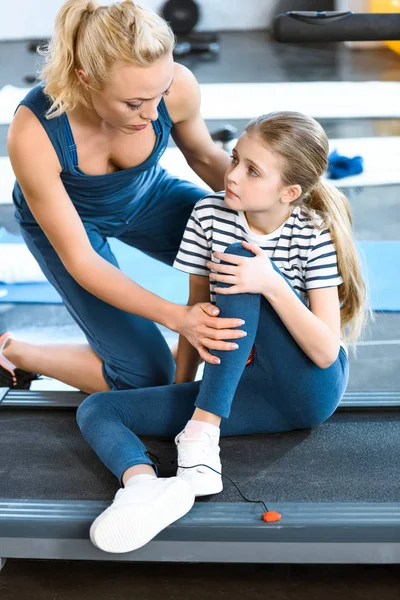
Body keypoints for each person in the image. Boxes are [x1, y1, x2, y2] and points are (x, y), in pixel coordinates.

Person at [75, 111, 369, 554]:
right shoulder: (209, 213)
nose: (232, 175)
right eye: (235, 159)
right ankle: (143, 488)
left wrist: (270, 281)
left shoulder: (311, 233)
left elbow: (327, 352)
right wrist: (180, 389)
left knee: (239, 259)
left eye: (252, 170)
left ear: (289, 192)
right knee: (99, 409)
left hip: (309, 387)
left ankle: (201, 435)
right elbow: (199, 315)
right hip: (244, 392)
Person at [0, 0, 246, 391]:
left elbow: (204, 156)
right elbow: (81, 260)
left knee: (249, 260)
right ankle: (17, 351)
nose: (151, 113)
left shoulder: (177, 87)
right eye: (133, 103)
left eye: (159, 94)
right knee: (146, 378)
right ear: (85, 78)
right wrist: (178, 317)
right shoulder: (33, 133)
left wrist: (285, 212)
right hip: (69, 228)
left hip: (150, 197)